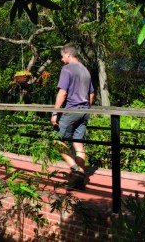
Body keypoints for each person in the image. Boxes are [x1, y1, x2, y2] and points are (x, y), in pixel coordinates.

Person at [51, 43, 95, 191]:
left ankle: (75, 170)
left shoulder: (67, 69)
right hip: (84, 111)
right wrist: (86, 109)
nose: (62, 60)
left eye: (63, 57)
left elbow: (62, 93)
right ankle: (79, 181)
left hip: (72, 110)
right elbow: (92, 94)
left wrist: (55, 113)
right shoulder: (86, 71)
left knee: (56, 141)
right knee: (78, 144)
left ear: (68, 54)